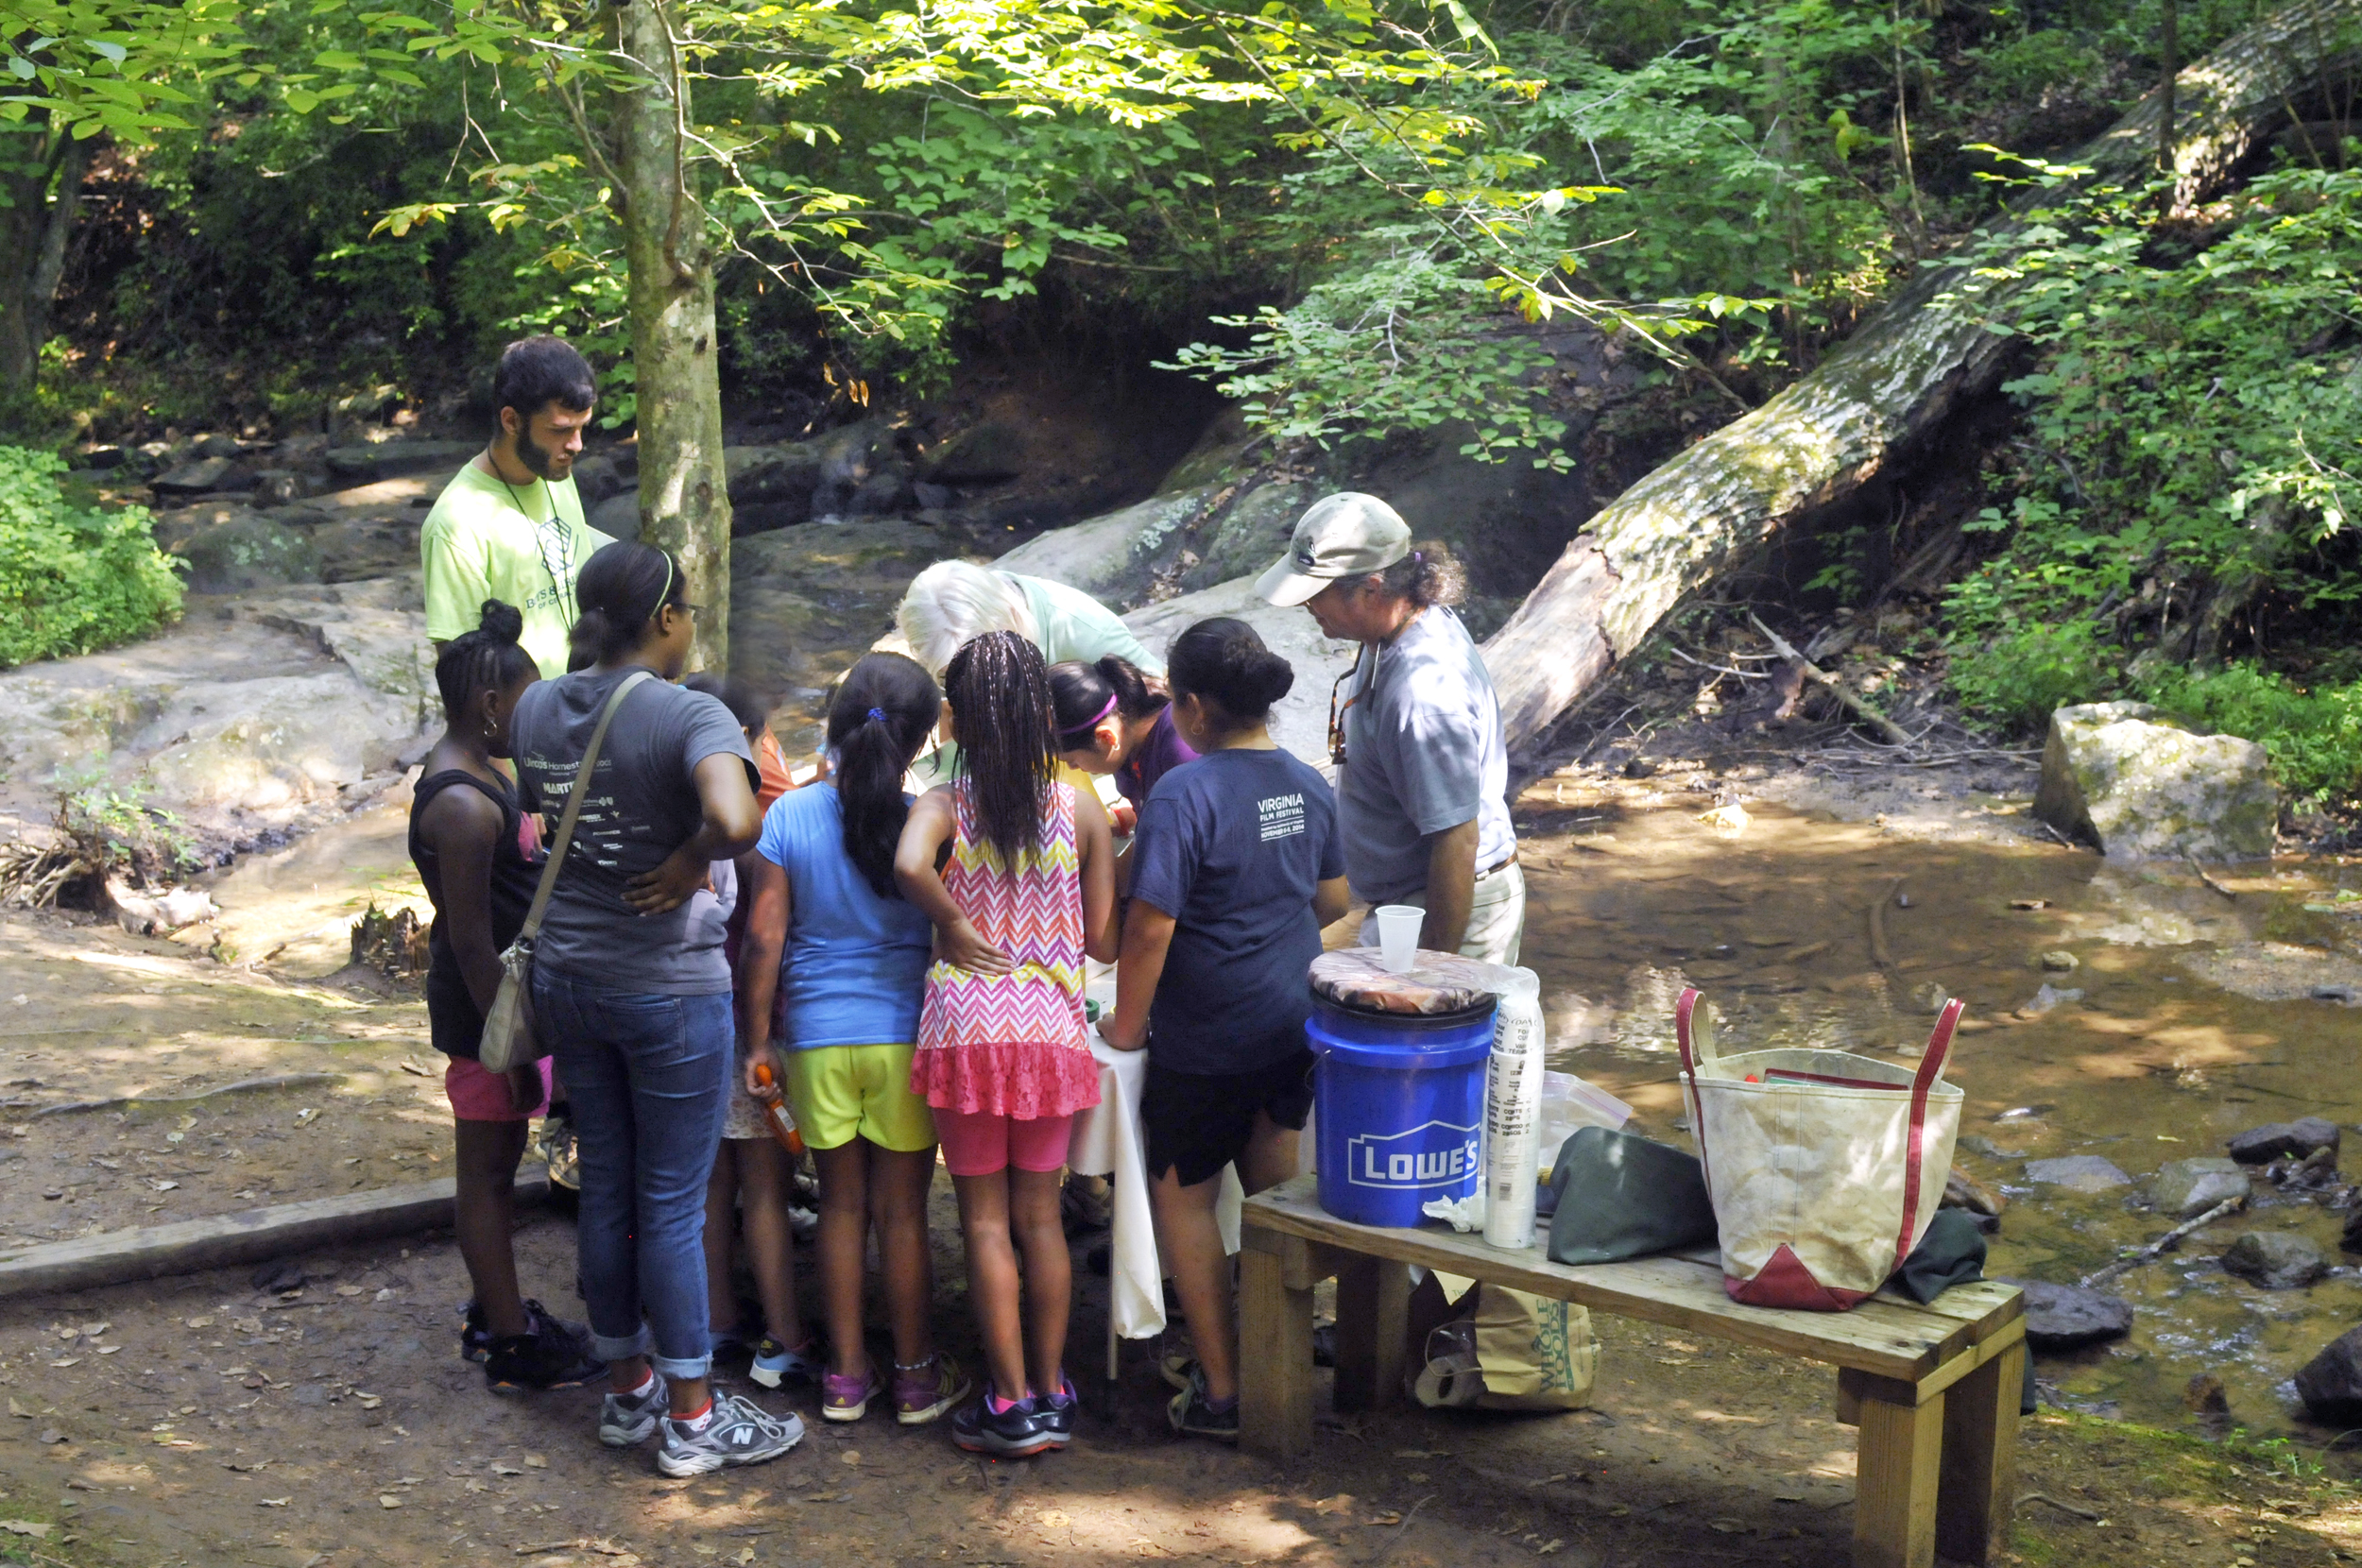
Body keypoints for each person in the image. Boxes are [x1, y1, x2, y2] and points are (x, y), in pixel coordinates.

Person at [507, 540, 802, 1477]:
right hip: (666, 987)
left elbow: (544, 814)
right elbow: (742, 817)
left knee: (608, 1185)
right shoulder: (688, 712)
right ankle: (692, 1417)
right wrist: (685, 862)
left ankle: (628, 1393)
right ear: (666, 620)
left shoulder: (534, 705)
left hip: (569, 976)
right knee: (671, 1202)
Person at [1097, 618, 1348, 1440]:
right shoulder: (1309, 783)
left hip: (1204, 1040)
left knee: (1187, 1205)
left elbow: (1148, 930)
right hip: (1289, 1026)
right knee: (1274, 1203)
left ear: (1195, 706)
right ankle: (1280, 1369)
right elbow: (1333, 904)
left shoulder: (1185, 793)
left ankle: (1226, 1391)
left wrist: (1127, 1030)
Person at [894, 631, 1119, 1457]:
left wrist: (952, 922)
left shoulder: (947, 800)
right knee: (1041, 1223)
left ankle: (1008, 1400)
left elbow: (908, 864)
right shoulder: (1082, 801)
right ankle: (1055, 1390)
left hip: (967, 1030)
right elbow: (1101, 943)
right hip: (1051, 1030)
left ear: (958, 716)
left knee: (984, 1223)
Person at [739, 654, 974, 1426]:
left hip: (815, 1040)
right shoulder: (927, 822)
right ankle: (913, 1376)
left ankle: (844, 1375)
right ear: (915, 744)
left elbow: (765, 942)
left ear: (836, 727)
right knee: (903, 1214)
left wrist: (757, 1041)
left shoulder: (788, 817)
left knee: (841, 1209)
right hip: (904, 1037)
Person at [407, 599, 603, 1393]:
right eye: (526, 701)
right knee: (488, 1174)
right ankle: (511, 1337)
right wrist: (514, 1050)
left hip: (512, 1002)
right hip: (485, 1012)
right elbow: (466, 939)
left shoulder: (491, 772)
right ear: (491, 706)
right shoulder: (458, 803)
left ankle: (502, 1311)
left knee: (500, 1165)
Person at [1256, 493, 1523, 965]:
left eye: (1315, 593)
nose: (1306, 606)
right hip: (1404, 901)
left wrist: (1430, 973)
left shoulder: (1423, 696)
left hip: (1445, 904)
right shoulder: (1397, 626)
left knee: (1422, 1036)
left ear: (1372, 589)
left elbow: (1458, 841)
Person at [681, 673, 818, 1391]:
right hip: (758, 1023)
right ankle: (785, 1333)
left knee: (709, 1183)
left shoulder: (676, 801)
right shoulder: (765, 815)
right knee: (766, 1188)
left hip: (694, 1015)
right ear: (751, 738)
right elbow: (770, 937)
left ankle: (714, 1321)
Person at [422, 336, 614, 679]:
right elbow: (462, 676)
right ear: (511, 421)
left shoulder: (555, 474)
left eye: (582, 427)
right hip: (529, 725)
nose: (577, 445)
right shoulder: (457, 523)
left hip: (589, 702)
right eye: (561, 430)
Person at [896, 560, 1161, 678]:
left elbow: (1166, 700)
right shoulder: (947, 629)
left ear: (1011, 616)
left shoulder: (1087, 633)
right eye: (949, 676)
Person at [1048, 656, 1198, 833]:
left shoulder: (1181, 755)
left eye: (1071, 760)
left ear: (1106, 737)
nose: (1072, 767)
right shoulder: (1127, 740)